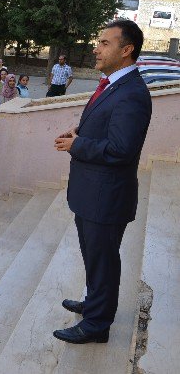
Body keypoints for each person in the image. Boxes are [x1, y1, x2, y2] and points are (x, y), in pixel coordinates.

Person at [53, 20, 152, 344]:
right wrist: (79, 133)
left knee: (104, 260)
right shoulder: (113, 85)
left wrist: (77, 145)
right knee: (95, 257)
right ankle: (94, 304)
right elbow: (108, 131)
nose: (96, 48)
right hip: (92, 194)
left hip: (105, 197)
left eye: (104, 43)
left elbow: (122, 149)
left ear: (126, 50)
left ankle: (97, 325)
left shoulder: (132, 93)